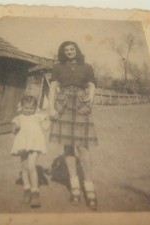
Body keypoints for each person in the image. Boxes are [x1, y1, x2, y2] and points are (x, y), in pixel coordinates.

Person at [49, 41, 98, 210]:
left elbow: (92, 86)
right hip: (63, 104)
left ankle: (90, 188)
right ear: (63, 53)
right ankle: (75, 188)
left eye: (72, 49)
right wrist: (51, 108)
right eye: (66, 50)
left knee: (83, 147)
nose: (69, 52)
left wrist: (89, 101)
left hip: (80, 103)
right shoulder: (57, 67)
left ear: (77, 50)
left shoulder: (87, 66)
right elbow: (53, 87)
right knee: (68, 147)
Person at [11, 95, 48, 208]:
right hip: (23, 143)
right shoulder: (19, 118)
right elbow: (14, 129)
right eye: (26, 108)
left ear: (35, 107)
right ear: (22, 107)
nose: (28, 110)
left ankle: (35, 192)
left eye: (31, 108)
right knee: (24, 167)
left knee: (31, 166)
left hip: (35, 143)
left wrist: (48, 119)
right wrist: (15, 127)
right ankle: (27, 189)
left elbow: (46, 127)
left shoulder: (38, 116)